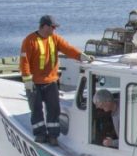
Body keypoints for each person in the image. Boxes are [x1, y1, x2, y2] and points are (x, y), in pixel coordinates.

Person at [19, 14, 92, 146]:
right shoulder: (29, 41)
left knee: (54, 109)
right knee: (36, 109)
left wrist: (80, 56)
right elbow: (24, 62)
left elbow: (68, 49)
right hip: (34, 83)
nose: (54, 30)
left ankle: (53, 136)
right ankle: (40, 134)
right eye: (52, 27)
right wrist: (27, 80)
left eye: (55, 27)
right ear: (44, 26)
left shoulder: (55, 39)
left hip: (51, 81)